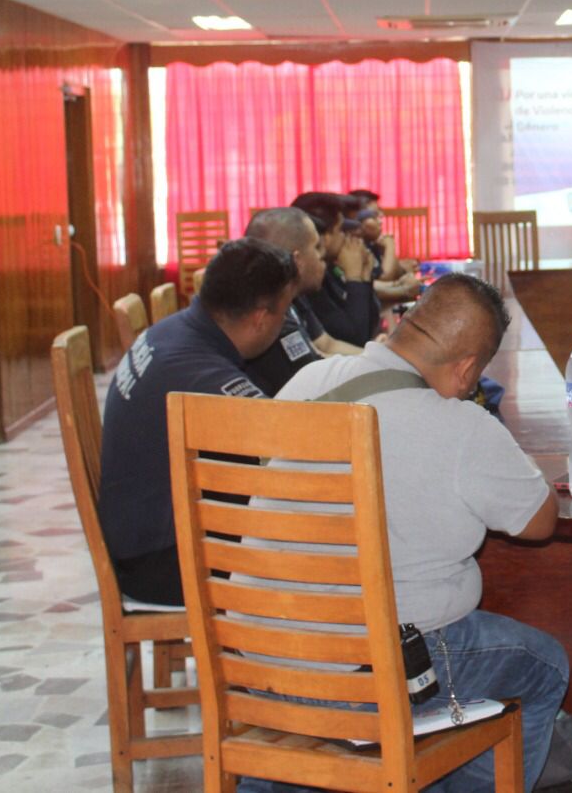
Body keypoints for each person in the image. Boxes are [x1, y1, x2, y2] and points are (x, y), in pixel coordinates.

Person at [241, 273, 568, 793]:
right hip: (361, 675)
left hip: (258, 654)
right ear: (466, 370)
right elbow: (540, 520)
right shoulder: (460, 427)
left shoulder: (307, 381)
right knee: (542, 664)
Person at [96, 238, 298, 605]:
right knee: (320, 544)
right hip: (159, 561)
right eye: (283, 313)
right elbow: (284, 453)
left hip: (144, 535)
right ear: (260, 318)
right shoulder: (205, 379)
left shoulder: (174, 331)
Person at [242, 206, 360, 395]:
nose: (322, 255)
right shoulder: (268, 314)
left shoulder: (292, 297)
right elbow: (316, 381)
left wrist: (375, 357)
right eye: (316, 247)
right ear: (297, 261)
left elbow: (324, 347)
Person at [291, 191, 380, 346]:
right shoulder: (309, 278)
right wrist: (354, 277)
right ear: (324, 237)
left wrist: (364, 278)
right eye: (340, 230)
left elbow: (368, 328)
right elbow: (354, 337)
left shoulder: (327, 267)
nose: (345, 237)